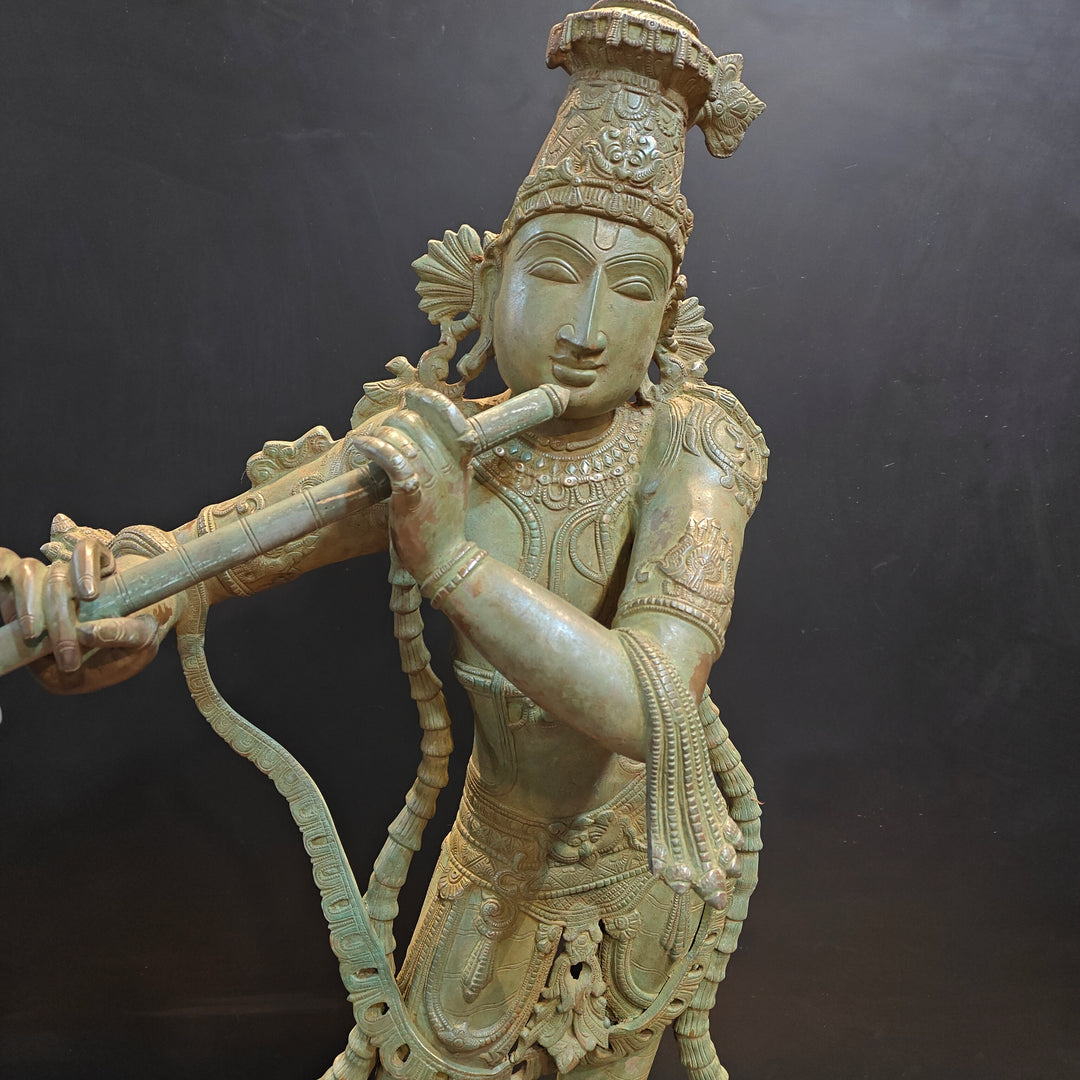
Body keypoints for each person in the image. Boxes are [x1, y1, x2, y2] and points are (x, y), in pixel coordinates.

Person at [0, 3, 767, 1078]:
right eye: (553, 271)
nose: (588, 326)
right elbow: (210, 557)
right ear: (488, 284)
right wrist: (110, 603)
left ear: (669, 319)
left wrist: (450, 559)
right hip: (489, 867)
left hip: (643, 881)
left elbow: (653, 702)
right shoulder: (432, 443)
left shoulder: (695, 444)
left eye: (631, 286)